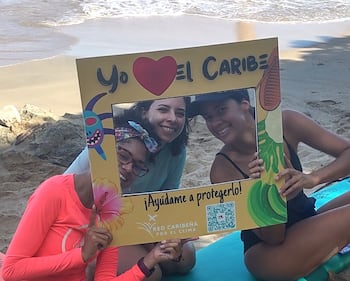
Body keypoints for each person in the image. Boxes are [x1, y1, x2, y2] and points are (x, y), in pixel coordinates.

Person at [188, 88, 350, 281]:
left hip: (307, 220)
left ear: (244, 104)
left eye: (221, 110)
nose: (215, 123)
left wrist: (313, 178)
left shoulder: (286, 123)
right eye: (208, 117)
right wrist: (268, 194)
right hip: (268, 254)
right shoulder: (223, 169)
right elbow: (273, 238)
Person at [2, 120, 185, 281]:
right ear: (100, 152)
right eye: (122, 155)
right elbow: (11, 270)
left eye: (138, 165)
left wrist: (150, 259)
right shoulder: (54, 192)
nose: (129, 168)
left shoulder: (112, 211)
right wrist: (81, 255)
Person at [65, 97, 196, 281]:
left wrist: (167, 234)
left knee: (185, 259)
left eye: (180, 113)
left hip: (136, 221)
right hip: (96, 227)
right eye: (163, 110)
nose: (172, 118)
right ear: (144, 112)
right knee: (152, 274)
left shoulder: (176, 151)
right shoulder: (116, 141)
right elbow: (66, 189)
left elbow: (166, 199)